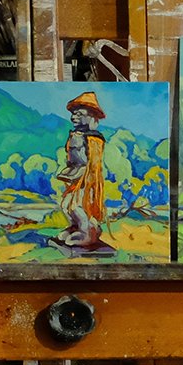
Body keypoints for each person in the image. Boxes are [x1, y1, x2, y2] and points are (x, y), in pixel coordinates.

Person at [53, 90, 107, 251]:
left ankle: (87, 232)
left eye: (79, 113)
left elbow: (92, 164)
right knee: (66, 204)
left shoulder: (93, 138)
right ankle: (76, 227)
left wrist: (83, 178)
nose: (74, 117)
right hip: (74, 174)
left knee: (77, 206)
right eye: (73, 114)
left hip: (85, 178)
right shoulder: (76, 134)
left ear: (90, 116)